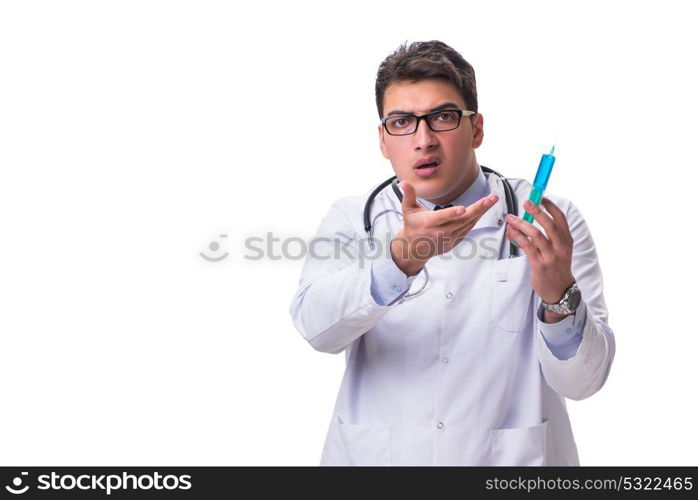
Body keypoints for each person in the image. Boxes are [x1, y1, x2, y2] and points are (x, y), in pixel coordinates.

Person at [288, 40, 615, 466]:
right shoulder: (354, 218)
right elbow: (317, 330)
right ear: (384, 140)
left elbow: (583, 382)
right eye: (402, 122)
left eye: (442, 117)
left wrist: (559, 298)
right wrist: (399, 261)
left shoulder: (548, 221)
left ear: (476, 128)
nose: (423, 140)